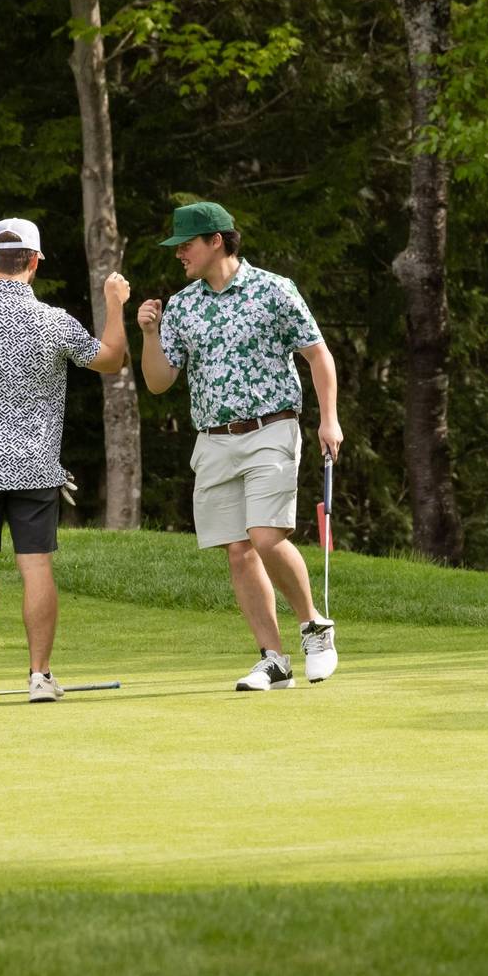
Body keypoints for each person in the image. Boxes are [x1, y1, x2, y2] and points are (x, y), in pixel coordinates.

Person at [0, 220, 130, 706]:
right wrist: (116, 304)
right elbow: (112, 359)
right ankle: (40, 677)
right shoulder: (52, 321)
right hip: (34, 466)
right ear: (34, 262)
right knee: (35, 566)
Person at [135, 201, 341, 691]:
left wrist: (329, 420)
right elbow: (160, 381)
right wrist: (147, 334)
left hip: (272, 426)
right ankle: (273, 659)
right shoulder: (183, 305)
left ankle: (314, 626)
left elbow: (318, 356)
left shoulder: (274, 290)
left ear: (217, 241)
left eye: (186, 244)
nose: (179, 254)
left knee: (266, 536)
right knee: (238, 550)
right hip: (213, 440)